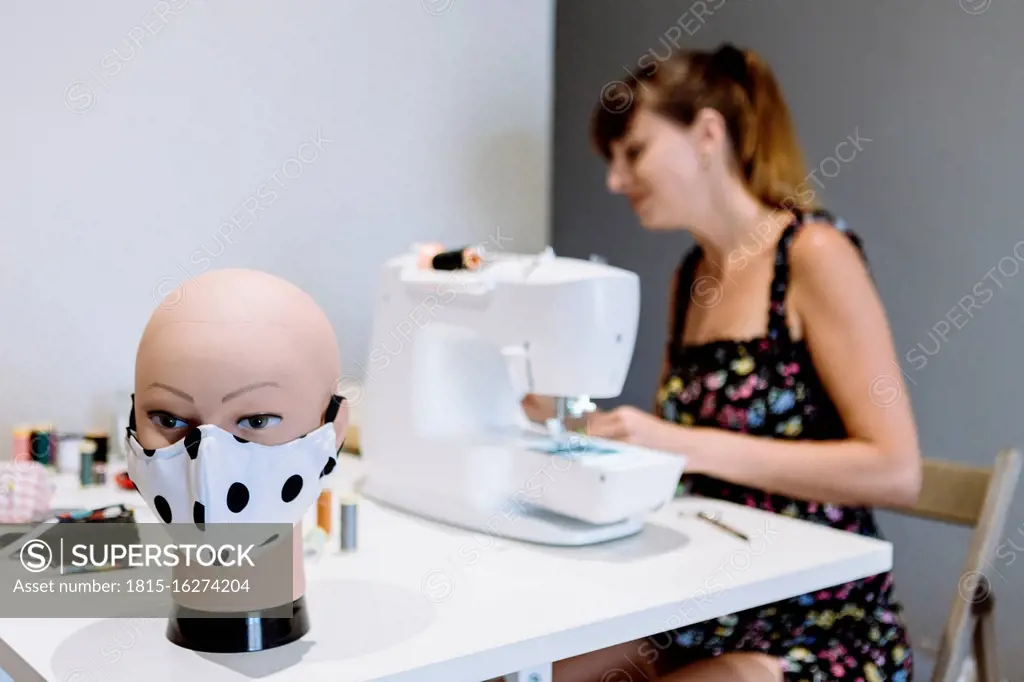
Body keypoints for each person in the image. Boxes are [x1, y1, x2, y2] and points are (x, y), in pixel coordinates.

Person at [524, 43, 921, 682]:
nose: (616, 180)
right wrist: (572, 422)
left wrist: (681, 443)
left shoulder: (814, 253)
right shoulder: (692, 279)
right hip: (704, 601)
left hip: (819, 620)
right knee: (525, 671)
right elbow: (675, 451)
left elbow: (897, 471)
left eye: (634, 152)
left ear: (707, 133)